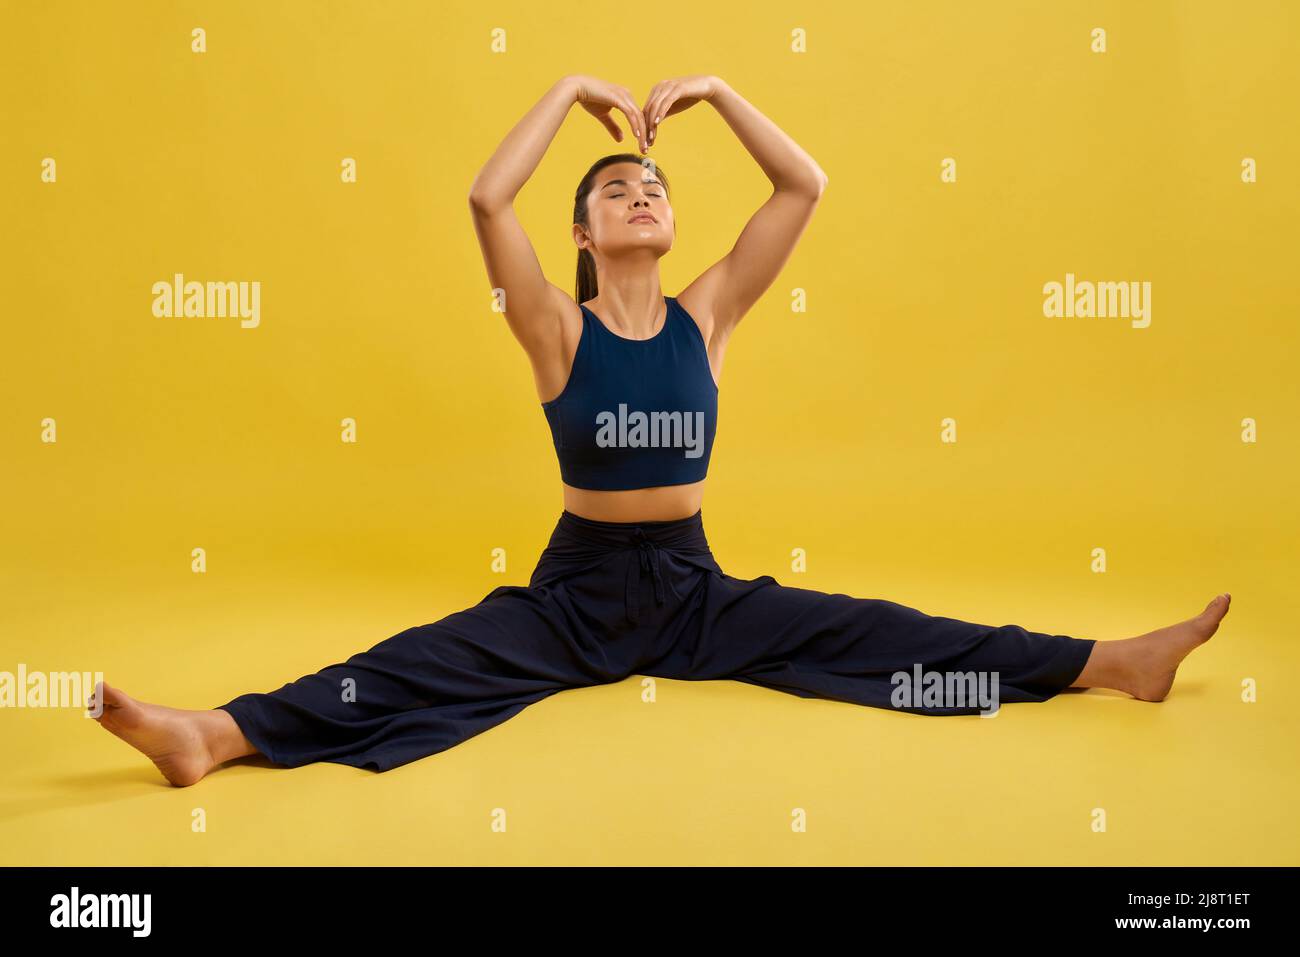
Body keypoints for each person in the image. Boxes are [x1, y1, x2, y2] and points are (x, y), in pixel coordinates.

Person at [89, 74, 1230, 787]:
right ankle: (218, 737)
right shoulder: (551, 328)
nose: (642, 191)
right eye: (616, 188)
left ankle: (1108, 665)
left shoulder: (709, 312)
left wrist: (722, 95)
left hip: (693, 589)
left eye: (654, 185)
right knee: (410, 664)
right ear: (583, 233)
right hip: (575, 592)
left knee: (875, 632)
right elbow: (488, 202)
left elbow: (803, 187)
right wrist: (574, 85)